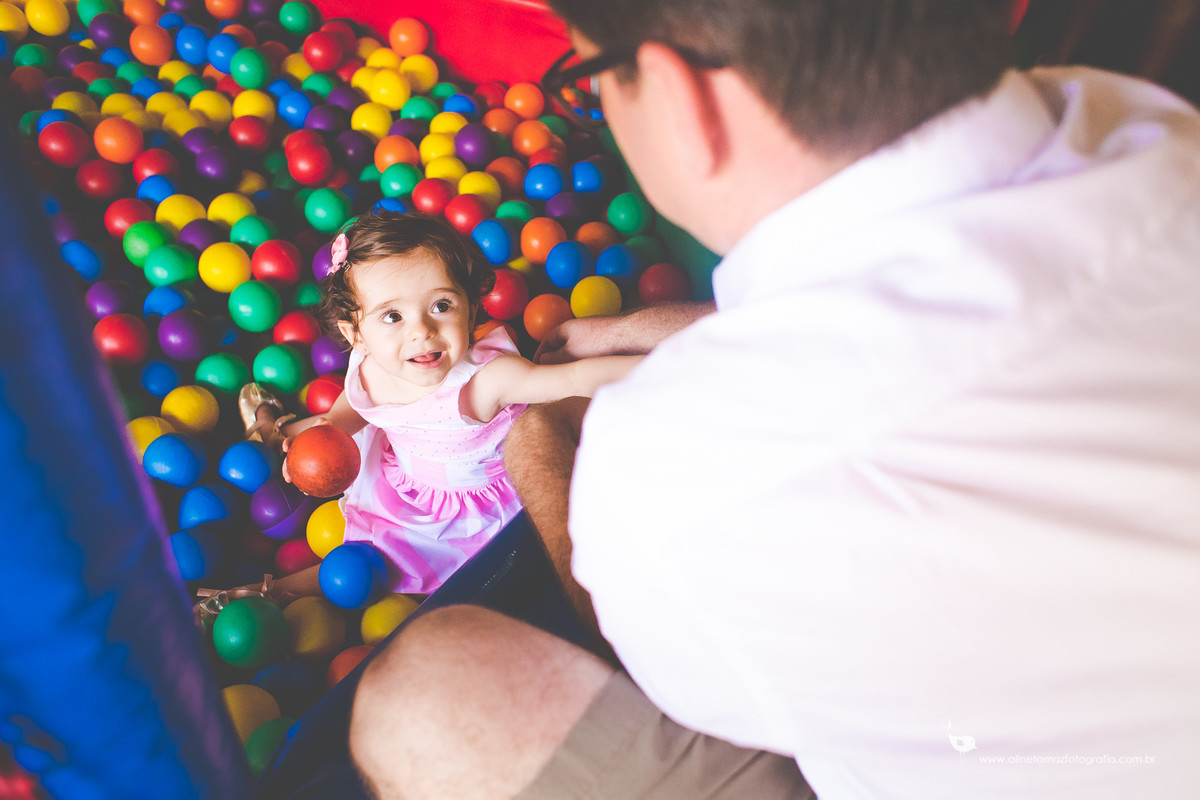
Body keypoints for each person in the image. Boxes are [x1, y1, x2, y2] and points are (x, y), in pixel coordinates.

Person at [349, 1, 1200, 798]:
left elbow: (641, 636)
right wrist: (668, 329)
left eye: (590, 77)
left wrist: (538, 449)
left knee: (425, 702)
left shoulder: (684, 465)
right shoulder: (1144, 124)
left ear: (682, 102)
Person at [242, 211, 641, 596]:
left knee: (378, 561)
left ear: (470, 311)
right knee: (328, 434)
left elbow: (575, 378)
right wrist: (318, 445)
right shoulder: (370, 364)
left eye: (441, 306)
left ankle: (274, 591)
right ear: (357, 335)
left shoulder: (487, 382)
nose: (421, 331)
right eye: (393, 316)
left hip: (473, 506)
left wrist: (669, 367)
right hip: (407, 481)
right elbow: (353, 410)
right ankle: (277, 432)